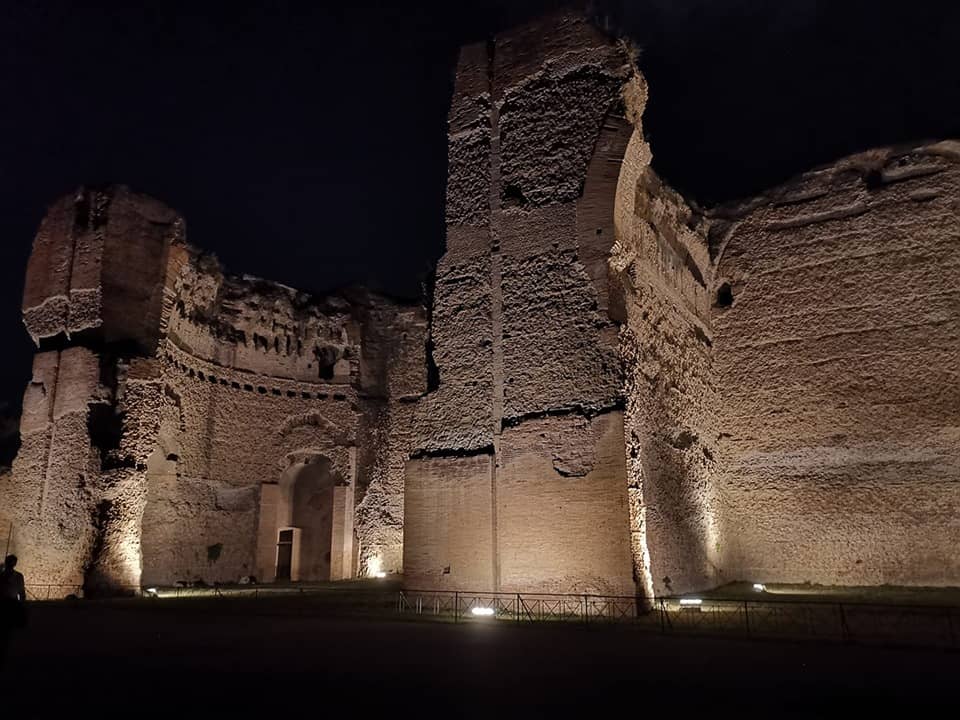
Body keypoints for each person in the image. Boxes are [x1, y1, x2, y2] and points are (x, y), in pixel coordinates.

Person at [0, 554, 27, 667]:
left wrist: (21, 604)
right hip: (2, 605)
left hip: (11, 605)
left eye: (12, 562)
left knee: (7, 632)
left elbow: (21, 592)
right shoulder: (1, 575)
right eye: (9, 562)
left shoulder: (18, 576)